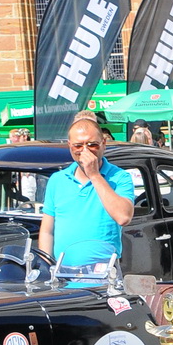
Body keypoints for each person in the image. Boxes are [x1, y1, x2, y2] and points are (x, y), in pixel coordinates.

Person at [39, 115, 134, 269]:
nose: (85, 151)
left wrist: (95, 175)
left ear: (104, 144)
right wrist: (45, 265)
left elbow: (123, 217)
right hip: (62, 271)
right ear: (70, 146)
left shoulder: (120, 177)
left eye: (92, 145)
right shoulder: (57, 180)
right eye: (78, 146)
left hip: (101, 270)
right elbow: (47, 230)